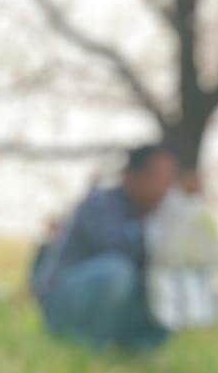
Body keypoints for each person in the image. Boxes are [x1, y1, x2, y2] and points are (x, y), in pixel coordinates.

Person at [34, 144, 177, 351]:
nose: (164, 188)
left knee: (172, 287)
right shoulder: (101, 203)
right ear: (131, 176)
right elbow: (118, 249)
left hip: (115, 307)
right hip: (65, 299)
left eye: (169, 180)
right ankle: (81, 340)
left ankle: (128, 347)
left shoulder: (160, 219)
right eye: (157, 177)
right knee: (117, 271)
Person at [144, 168, 218, 330]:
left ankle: (199, 327)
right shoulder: (169, 204)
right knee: (172, 298)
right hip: (171, 262)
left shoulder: (200, 207)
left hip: (198, 262)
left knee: (201, 298)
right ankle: (171, 327)